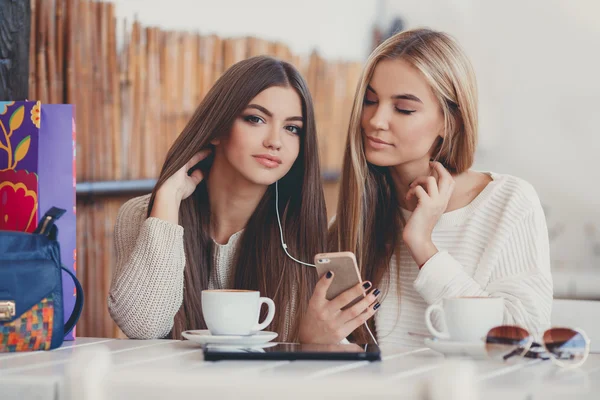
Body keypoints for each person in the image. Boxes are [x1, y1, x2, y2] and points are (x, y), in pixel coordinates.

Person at [300, 28, 553, 346]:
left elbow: (524, 336)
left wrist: (423, 246)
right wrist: (314, 338)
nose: (376, 120)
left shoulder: (508, 202)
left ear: (450, 122)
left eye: (403, 108)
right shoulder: (350, 222)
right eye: (370, 101)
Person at [108, 56, 328, 341]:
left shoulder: (303, 231)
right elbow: (143, 326)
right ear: (218, 128)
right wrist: (168, 199)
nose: (275, 141)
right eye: (256, 119)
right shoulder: (144, 215)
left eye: (292, 128)